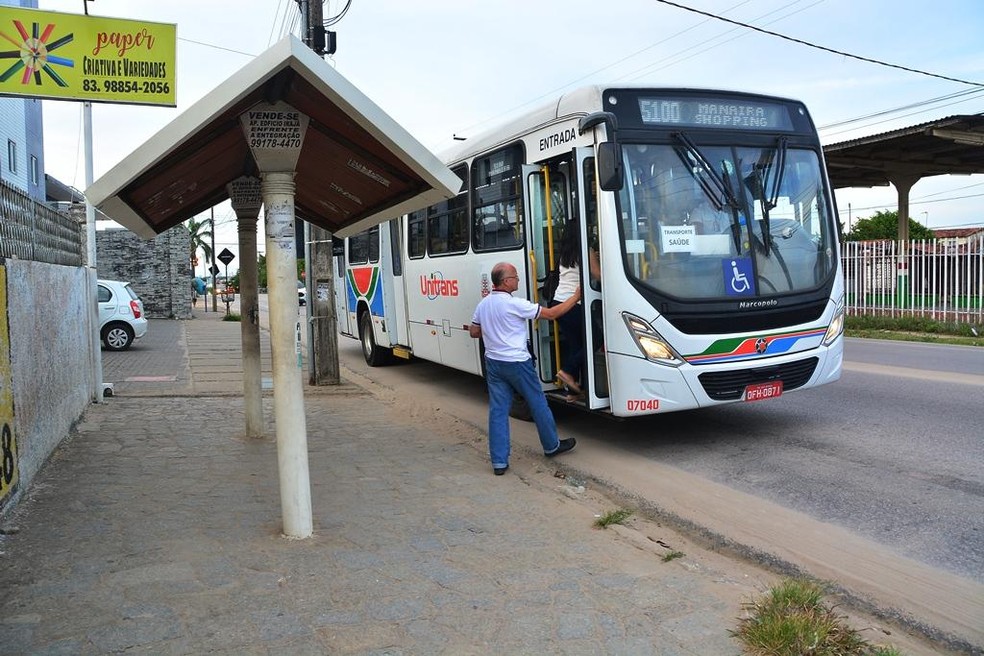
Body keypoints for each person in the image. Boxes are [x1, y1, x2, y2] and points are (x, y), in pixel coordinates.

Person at [469, 262, 581, 476]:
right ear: (506, 281)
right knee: (538, 403)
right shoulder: (515, 304)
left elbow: (474, 332)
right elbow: (550, 314)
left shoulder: (483, 304)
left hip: (494, 363)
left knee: (498, 411)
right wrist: (575, 298)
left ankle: (499, 462)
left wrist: (494, 332)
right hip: (518, 363)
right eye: (515, 277)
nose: (518, 279)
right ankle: (551, 446)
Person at [550, 227, 600, 401]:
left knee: (576, 346)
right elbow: (597, 274)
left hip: (559, 303)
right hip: (574, 303)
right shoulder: (585, 250)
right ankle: (567, 371)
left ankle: (574, 392)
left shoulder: (566, 253)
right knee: (596, 339)